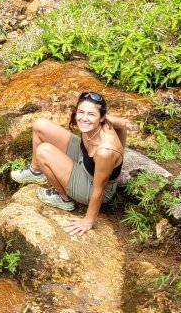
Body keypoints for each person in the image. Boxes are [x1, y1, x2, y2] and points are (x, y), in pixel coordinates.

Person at [10, 91, 128, 236]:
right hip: (83, 156)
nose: (84, 118)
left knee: (43, 151)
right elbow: (123, 124)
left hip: (91, 187)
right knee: (40, 125)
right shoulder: (100, 123)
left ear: (102, 117)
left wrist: (88, 221)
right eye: (81, 112)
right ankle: (35, 171)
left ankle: (63, 198)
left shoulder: (105, 151)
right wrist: (122, 141)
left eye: (91, 114)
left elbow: (99, 189)